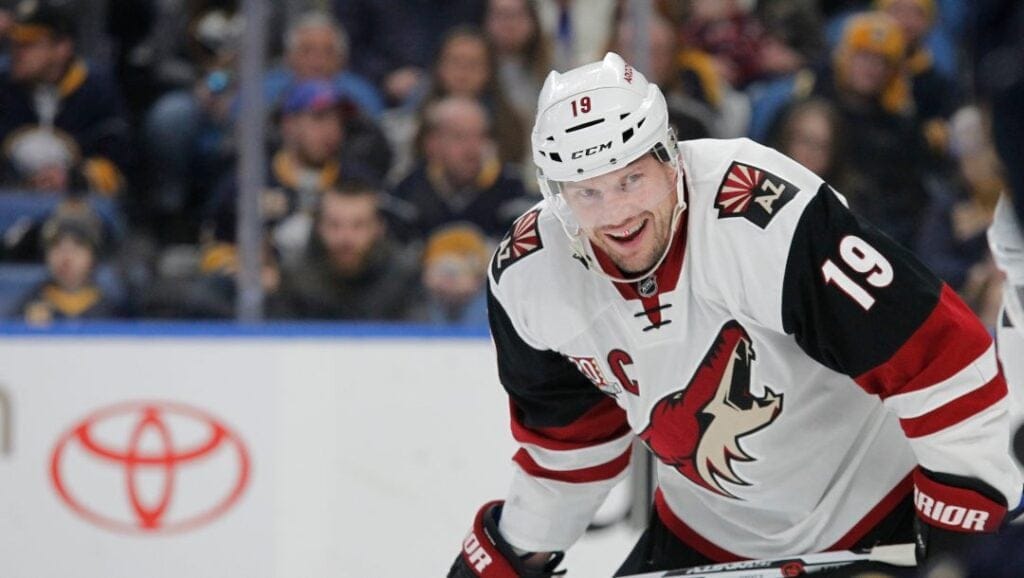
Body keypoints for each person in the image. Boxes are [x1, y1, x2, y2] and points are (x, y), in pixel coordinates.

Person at [447, 53, 1023, 577]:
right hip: (709, 533)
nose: (617, 213)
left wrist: (961, 526)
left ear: (669, 158)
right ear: (556, 194)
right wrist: (516, 549)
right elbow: (570, 448)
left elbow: (938, 357)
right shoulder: (530, 275)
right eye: (587, 193)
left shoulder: (758, 212)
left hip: (881, 508)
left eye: (630, 179)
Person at [271, 180, 420, 321]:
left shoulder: (404, 280)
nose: (345, 238)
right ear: (318, 227)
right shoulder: (295, 281)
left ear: (379, 228)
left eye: (358, 225)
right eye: (334, 225)